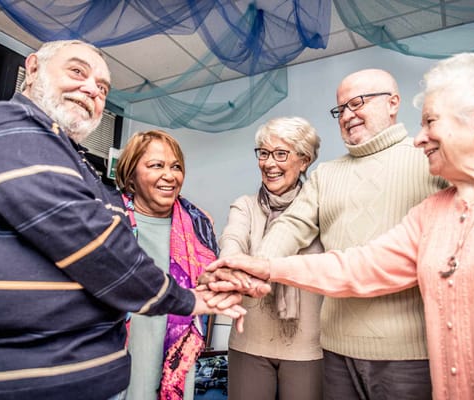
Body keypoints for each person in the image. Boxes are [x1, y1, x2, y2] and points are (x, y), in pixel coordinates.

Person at [208, 52, 474, 399]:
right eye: (340, 108)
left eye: (430, 122)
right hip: (347, 353)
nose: (420, 138)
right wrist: (261, 267)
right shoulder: (431, 215)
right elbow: (358, 266)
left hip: (411, 360)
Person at [0, 40, 244, 400]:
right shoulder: (10, 130)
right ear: (31, 69)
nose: (92, 88)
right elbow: (96, 247)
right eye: (77, 71)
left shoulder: (72, 161)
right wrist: (187, 299)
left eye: (103, 87)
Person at [213, 68, 446, 399]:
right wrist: (252, 269)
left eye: (358, 103)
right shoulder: (328, 175)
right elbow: (291, 226)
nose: (348, 115)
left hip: (408, 355)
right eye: (341, 109)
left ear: (393, 103)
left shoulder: (428, 159)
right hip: (336, 351)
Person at [218, 117, 324, 400]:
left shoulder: (320, 207)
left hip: (307, 347)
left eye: (281, 154)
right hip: (248, 342)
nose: (269, 163)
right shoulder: (245, 206)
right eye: (263, 153)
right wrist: (231, 267)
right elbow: (233, 241)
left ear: (304, 160)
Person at [114, 130, 219, 400]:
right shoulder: (108, 220)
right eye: (156, 165)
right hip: (117, 358)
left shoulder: (198, 227)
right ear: (131, 175)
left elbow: (210, 289)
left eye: (176, 167)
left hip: (175, 360)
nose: (169, 175)